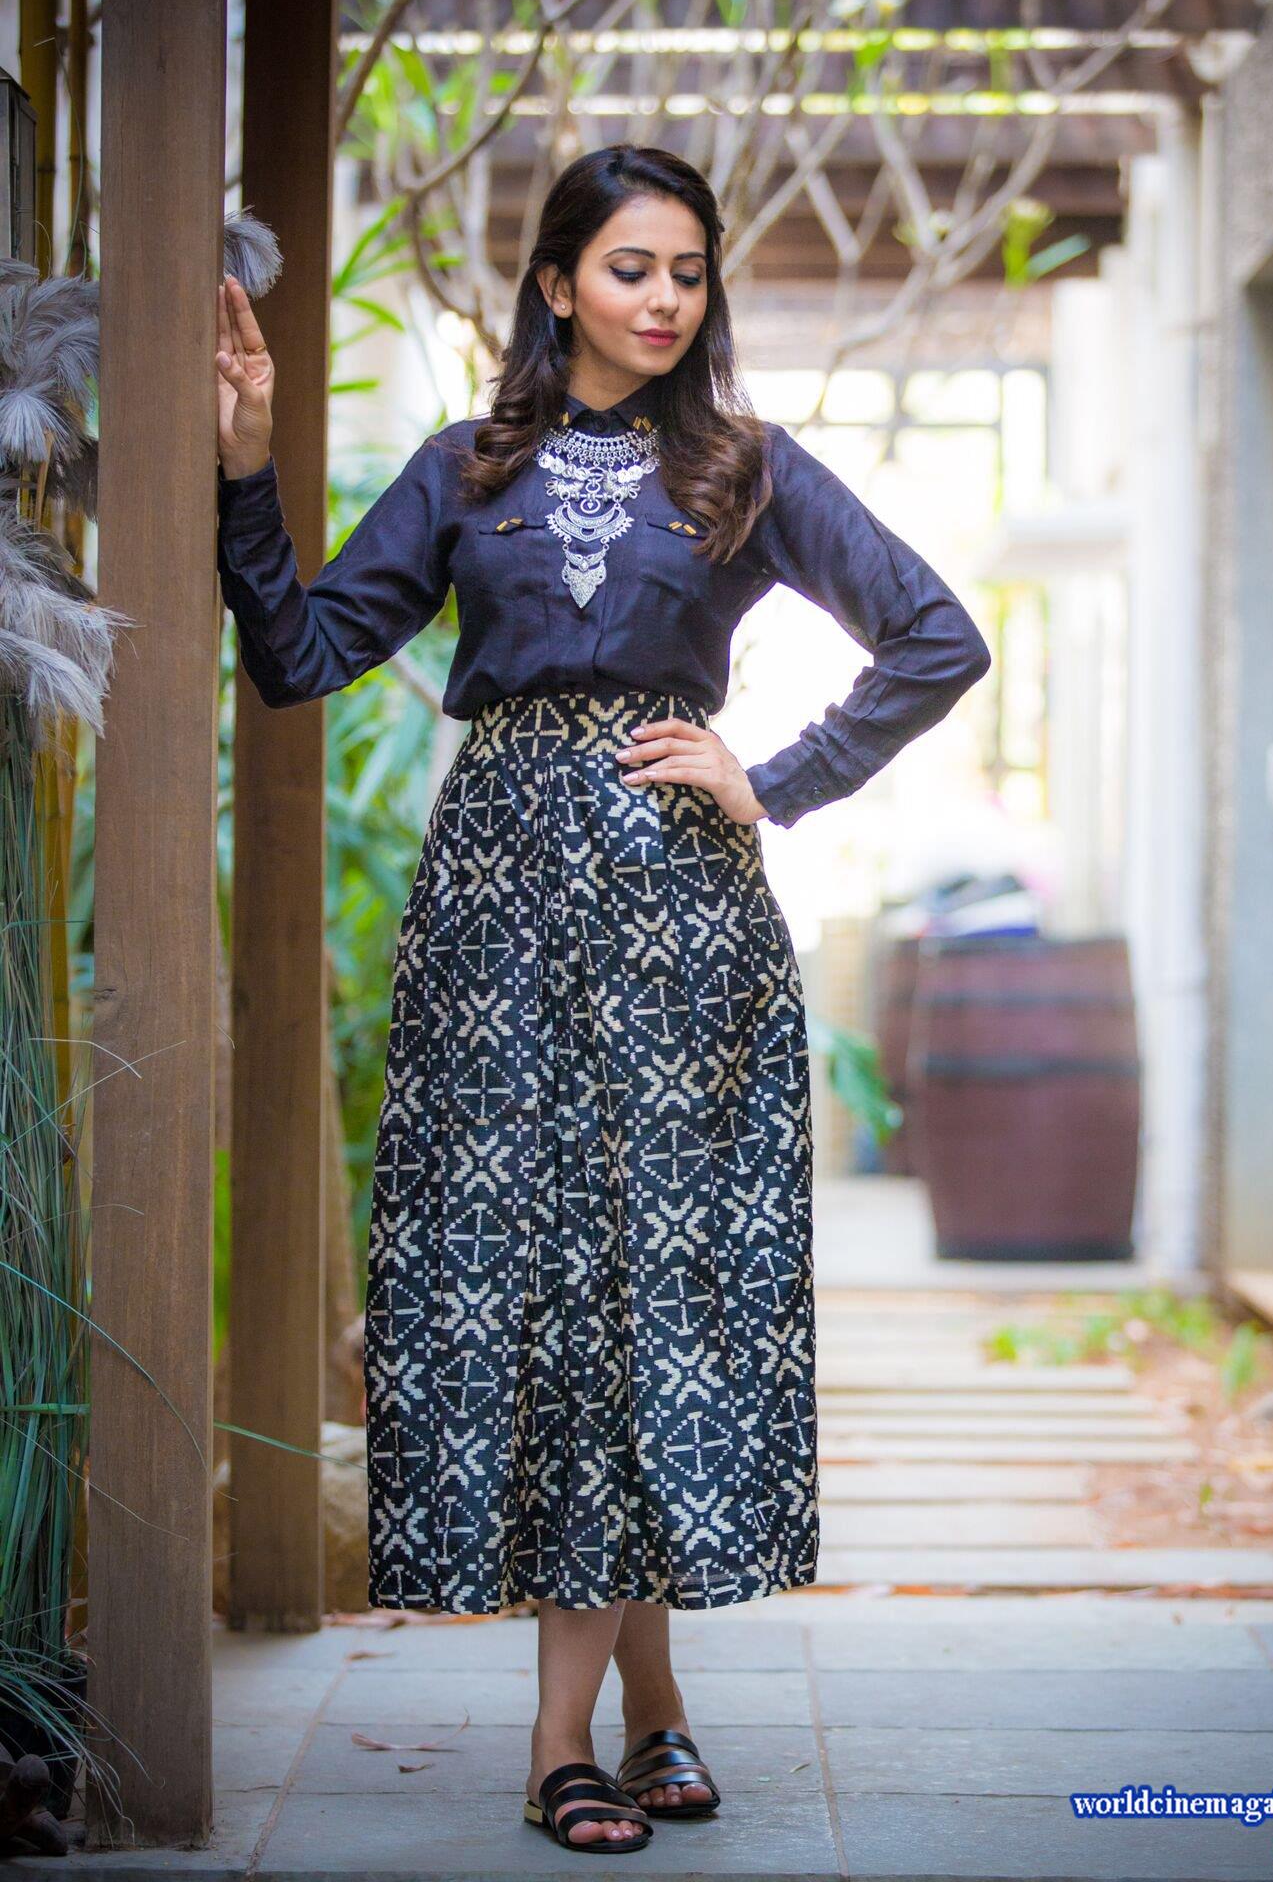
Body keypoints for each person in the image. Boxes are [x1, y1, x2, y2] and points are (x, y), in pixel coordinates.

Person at [214, 142, 991, 1857]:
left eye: (689, 273)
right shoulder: (463, 468)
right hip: (494, 925)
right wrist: (245, 470)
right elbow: (297, 657)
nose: (663, 300)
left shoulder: (744, 468)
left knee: (643, 1291)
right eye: (631, 268)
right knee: (553, 1292)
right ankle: (651, 1714)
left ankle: (559, 1743)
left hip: (675, 928)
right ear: (557, 282)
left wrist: (773, 776)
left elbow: (936, 638)